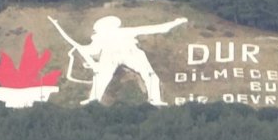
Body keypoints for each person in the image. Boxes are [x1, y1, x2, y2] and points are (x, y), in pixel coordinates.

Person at [48, 14, 186, 105]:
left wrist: (174, 23)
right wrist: (81, 49)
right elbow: (91, 50)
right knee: (101, 76)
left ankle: (155, 99)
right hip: (111, 55)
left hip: (130, 53)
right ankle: (94, 99)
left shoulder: (122, 32)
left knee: (149, 75)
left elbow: (155, 29)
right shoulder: (100, 38)